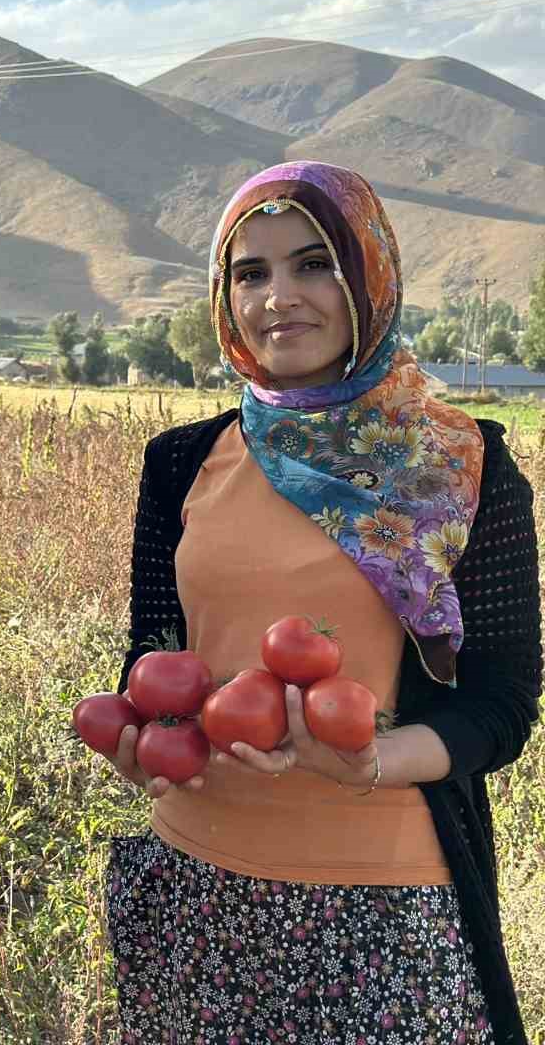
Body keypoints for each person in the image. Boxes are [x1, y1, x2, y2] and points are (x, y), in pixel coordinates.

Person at [103, 160, 540, 1043]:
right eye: (250, 273)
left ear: (369, 274)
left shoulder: (462, 465)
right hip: (198, 890)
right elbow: (151, 658)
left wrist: (372, 761)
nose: (278, 299)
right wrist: (140, 744)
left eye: (314, 264)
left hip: (388, 913)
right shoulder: (181, 461)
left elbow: (498, 709)